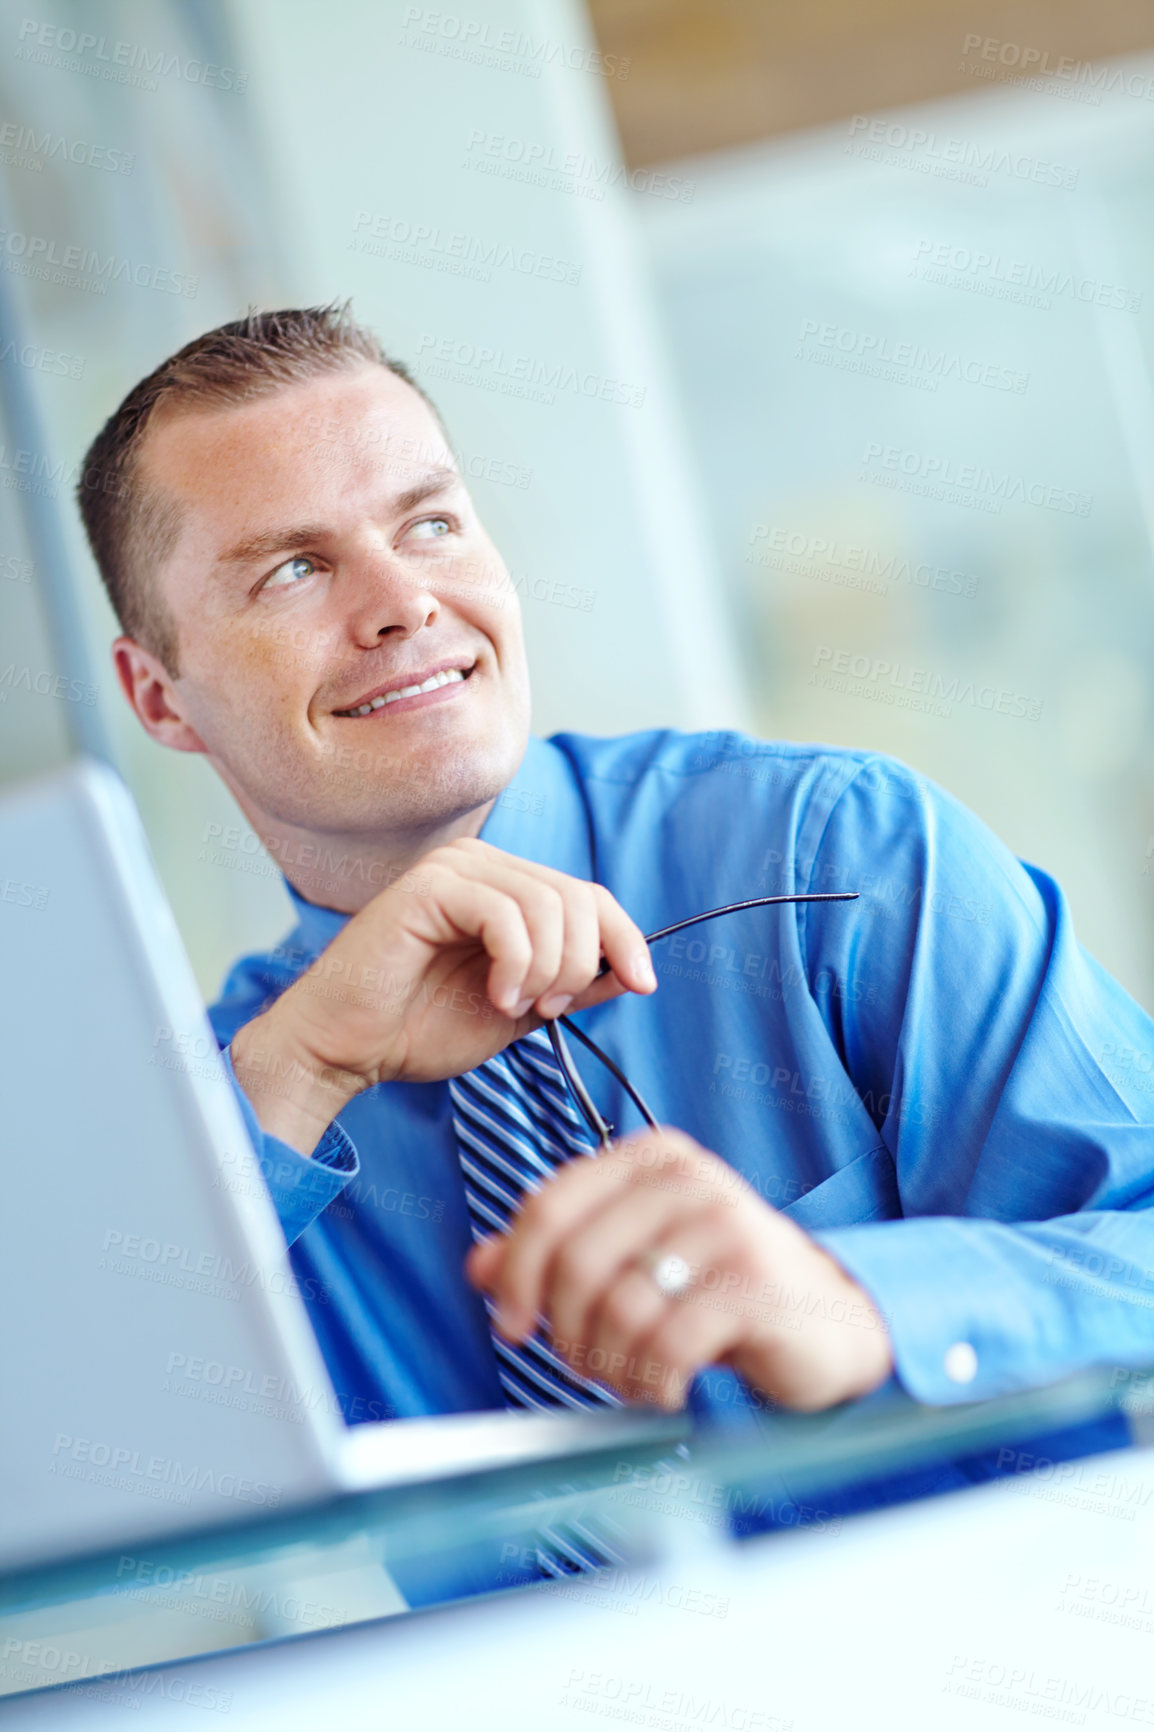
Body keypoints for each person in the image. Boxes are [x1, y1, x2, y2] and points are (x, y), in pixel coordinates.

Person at [78, 302, 1154, 1588]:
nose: (405, 602)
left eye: (428, 523)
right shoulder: (222, 1118)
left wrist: (859, 1303)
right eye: (294, 569)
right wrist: (294, 1077)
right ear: (158, 694)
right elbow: (84, 1491)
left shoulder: (833, 857)